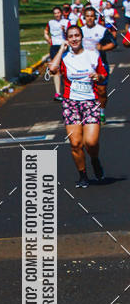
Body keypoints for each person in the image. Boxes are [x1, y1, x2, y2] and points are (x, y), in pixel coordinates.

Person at [49, 25, 108, 188]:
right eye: (70, 36)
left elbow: (104, 75)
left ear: (81, 37)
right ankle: (83, 175)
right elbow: (52, 69)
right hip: (71, 103)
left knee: (91, 142)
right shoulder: (65, 58)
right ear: (67, 39)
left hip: (90, 102)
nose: (74, 39)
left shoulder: (92, 55)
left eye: (77, 35)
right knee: (75, 143)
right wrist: (61, 50)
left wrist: (98, 76)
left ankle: (95, 160)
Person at [80, 6, 115, 120]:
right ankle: (87, 113)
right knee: (85, 91)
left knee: (102, 91)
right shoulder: (81, 31)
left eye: (92, 16)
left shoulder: (102, 30)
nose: (89, 18)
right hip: (84, 65)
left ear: (95, 17)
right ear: (84, 18)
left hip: (100, 65)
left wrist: (102, 48)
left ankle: (102, 112)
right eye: (87, 16)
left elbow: (113, 43)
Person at [44, 7, 66, 100]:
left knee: (65, 69)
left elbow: (70, 33)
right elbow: (45, 31)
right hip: (54, 47)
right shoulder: (50, 23)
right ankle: (57, 93)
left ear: (61, 13)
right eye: (55, 13)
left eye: (58, 13)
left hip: (64, 47)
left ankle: (67, 91)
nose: (57, 15)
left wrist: (64, 30)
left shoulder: (66, 22)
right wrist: (47, 38)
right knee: (55, 70)